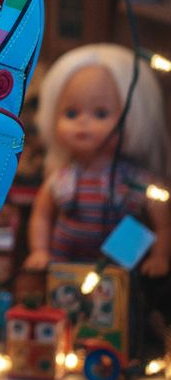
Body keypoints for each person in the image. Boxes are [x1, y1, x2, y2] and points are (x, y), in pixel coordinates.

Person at [23, 44, 171, 274]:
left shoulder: (137, 181)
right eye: (71, 113)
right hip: (65, 264)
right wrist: (39, 251)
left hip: (119, 268)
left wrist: (159, 257)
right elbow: (41, 215)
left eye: (101, 113)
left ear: (133, 117)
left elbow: (163, 223)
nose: (83, 122)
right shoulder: (62, 178)